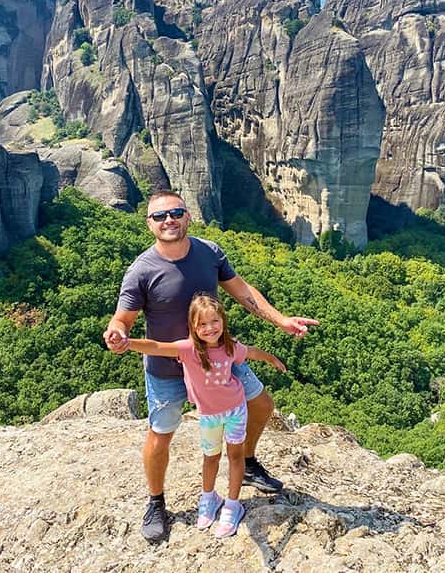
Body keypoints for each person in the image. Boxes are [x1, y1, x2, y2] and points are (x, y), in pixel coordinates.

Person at [103, 189, 319, 543]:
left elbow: (241, 290)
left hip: (218, 357)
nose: (168, 220)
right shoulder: (141, 270)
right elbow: (123, 318)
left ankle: (245, 462)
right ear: (149, 224)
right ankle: (156, 502)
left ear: (187, 216)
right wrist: (117, 333)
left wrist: (280, 320)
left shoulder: (209, 252)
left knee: (262, 404)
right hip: (168, 367)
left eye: (175, 212)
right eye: (159, 216)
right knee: (161, 435)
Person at [116, 293, 286, 538]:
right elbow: (155, 347)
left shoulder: (229, 347)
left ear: (223, 322)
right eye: (203, 324)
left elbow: (250, 352)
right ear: (193, 328)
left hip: (235, 409)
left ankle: (232, 504)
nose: (210, 328)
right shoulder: (188, 350)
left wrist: (271, 358)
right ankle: (209, 498)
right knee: (211, 458)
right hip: (209, 416)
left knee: (236, 457)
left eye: (215, 321)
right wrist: (127, 342)